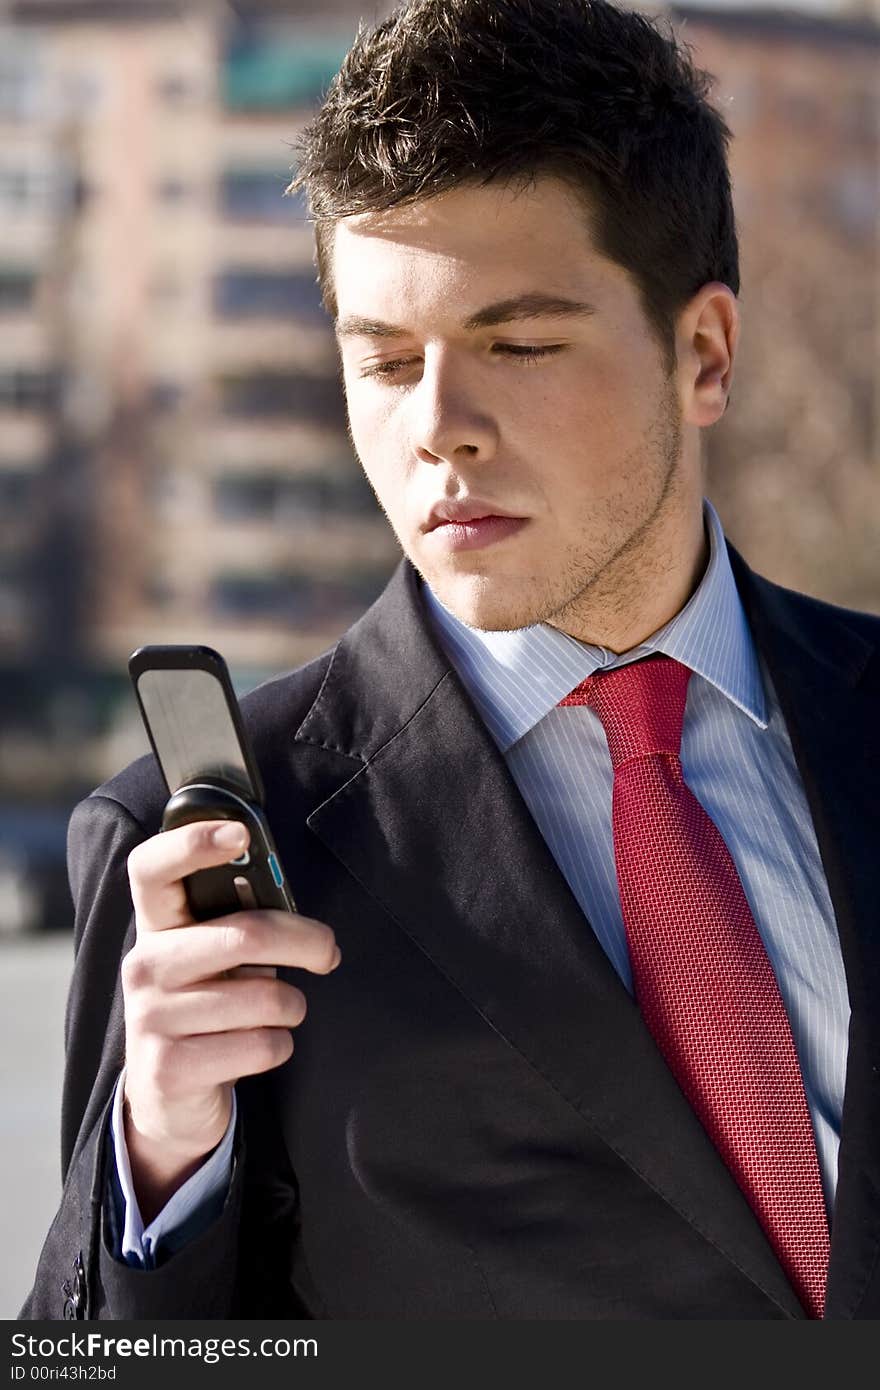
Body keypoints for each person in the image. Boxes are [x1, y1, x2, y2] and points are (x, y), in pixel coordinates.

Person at [22, 0, 879, 1321]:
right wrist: (158, 1160)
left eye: (518, 345)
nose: (439, 430)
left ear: (703, 352)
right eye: (383, 360)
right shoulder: (203, 835)